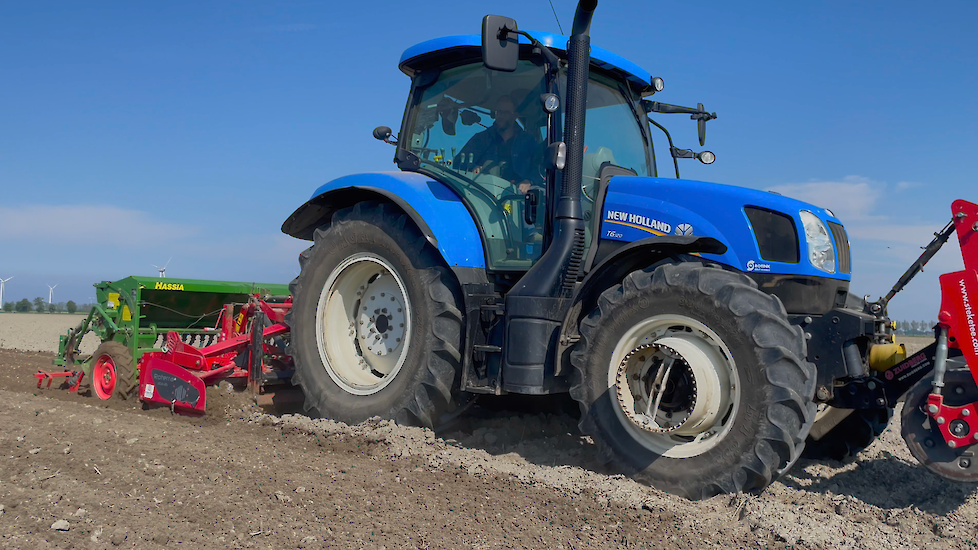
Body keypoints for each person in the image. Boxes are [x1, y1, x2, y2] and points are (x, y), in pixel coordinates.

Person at [454, 95, 541, 193]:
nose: (501, 116)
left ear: (515, 115)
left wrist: (529, 181)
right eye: (499, 112)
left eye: (506, 113)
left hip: (518, 197)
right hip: (485, 195)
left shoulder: (527, 141)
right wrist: (473, 167)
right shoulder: (481, 138)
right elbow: (458, 162)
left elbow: (540, 167)